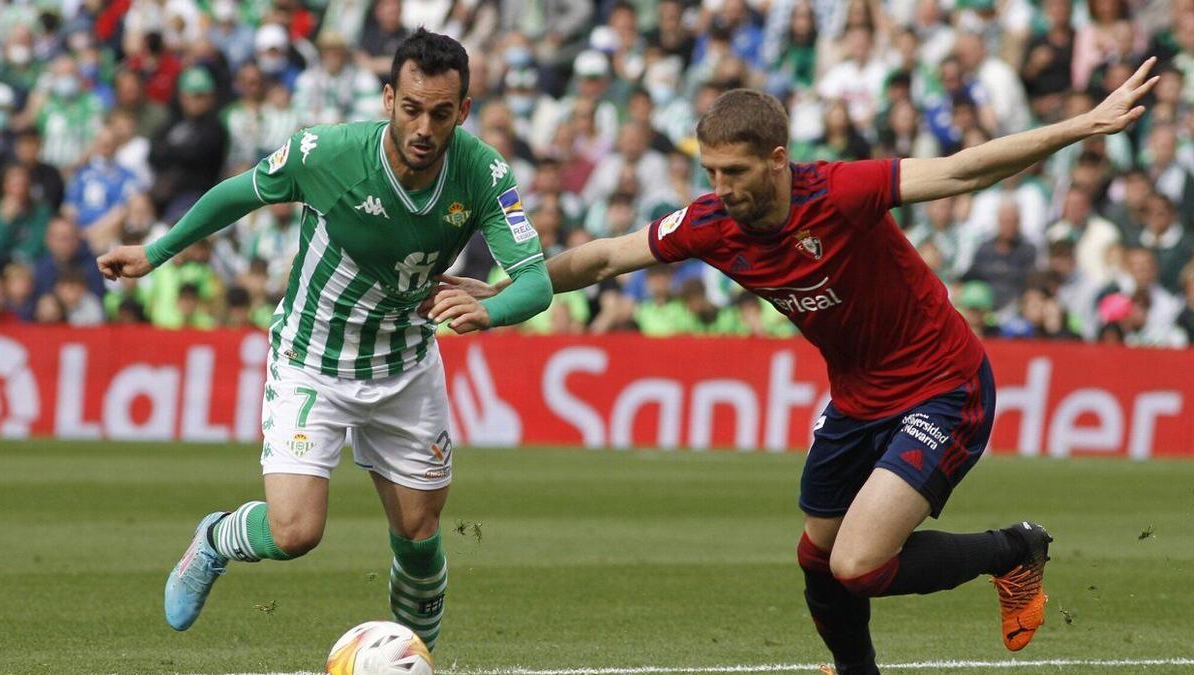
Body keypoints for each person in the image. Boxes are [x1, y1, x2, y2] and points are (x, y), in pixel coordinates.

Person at [431, 60, 1163, 673]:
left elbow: (963, 169)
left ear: (778, 159)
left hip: (943, 386)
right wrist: (511, 289)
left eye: (737, 171)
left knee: (858, 566)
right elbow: (605, 255)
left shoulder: (840, 192)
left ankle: (1015, 549)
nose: (721, 186)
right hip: (856, 398)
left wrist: (1083, 126)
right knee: (817, 554)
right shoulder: (711, 222)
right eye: (712, 170)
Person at [96, 29, 552, 650]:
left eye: (441, 114)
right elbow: (240, 194)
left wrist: (490, 309)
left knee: (420, 533)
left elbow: (536, 283)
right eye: (412, 109)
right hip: (312, 357)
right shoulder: (327, 153)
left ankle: (411, 661)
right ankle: (213, 539)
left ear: (462, 112)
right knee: (294, 533)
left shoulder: (483, 172)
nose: (424, 127)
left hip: (406, 362)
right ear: (389, 98)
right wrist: (155, 253)